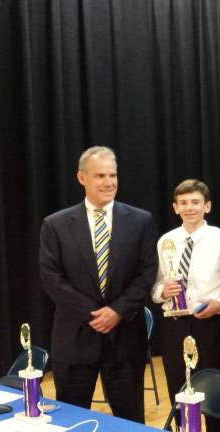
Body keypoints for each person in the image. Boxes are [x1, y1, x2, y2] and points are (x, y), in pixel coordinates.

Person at [39, 146, 157, 422]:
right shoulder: (55, 225)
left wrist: (117, 311)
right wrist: (94, 314)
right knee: (71, 419)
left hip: (126, 338)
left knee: (130, 421)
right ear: (82, 178)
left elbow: (147, 273)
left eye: (113, 175)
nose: (108, 182)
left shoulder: (141, 221)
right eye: (100, 175)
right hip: (75, 338)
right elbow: (52, 278)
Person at [153, 179, 220, 431]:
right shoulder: (165, 241)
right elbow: (154, 285)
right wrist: (161, 291)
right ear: (175, 207)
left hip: (210, 323)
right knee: (179, 388)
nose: (190, 208)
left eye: (196, 202)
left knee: (213, 388)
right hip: (174, 324)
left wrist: (219, 304)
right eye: (184, 203)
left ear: (207, 206)